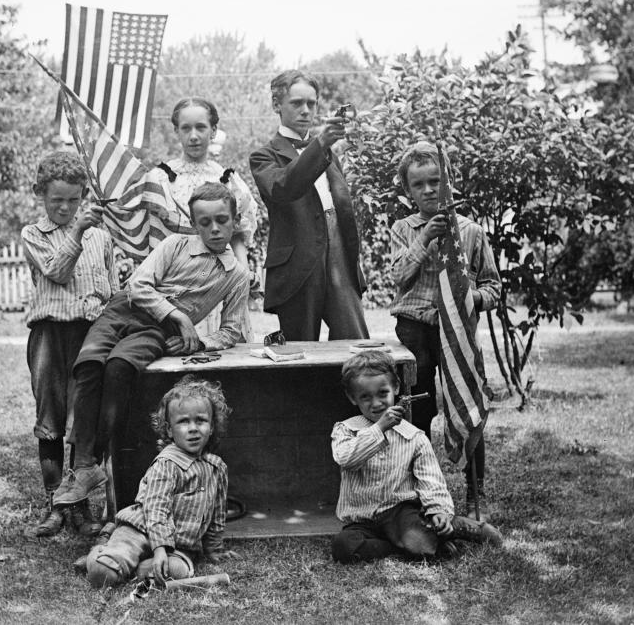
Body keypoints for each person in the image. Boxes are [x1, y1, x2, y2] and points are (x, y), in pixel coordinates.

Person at [51, 181, 250, 512]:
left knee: (119, 368)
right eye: (204, 222)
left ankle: (95, 458)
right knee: (88, 363)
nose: (214, 229)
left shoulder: (236, 275)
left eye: (222, 220)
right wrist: (180, 316)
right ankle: (84, 465)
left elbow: (231, 330)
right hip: (123, 308)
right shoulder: (174, 245)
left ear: (235, 219)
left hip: (157, 329)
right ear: (193, 222)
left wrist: (197, 340)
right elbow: (139, 285)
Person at [389, 141, 501, 517]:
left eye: (435, 181)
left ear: (448, 182)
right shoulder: (404, 229)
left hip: (458, 333)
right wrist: (424, 239)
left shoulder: (470, 232)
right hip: (415, 330)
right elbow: (399, 278)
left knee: (467, 406)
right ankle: (419, 490)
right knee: (417, 412)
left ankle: (475, 493)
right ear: (408, 190)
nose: (428, 191)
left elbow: (494, 289)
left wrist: (472, 298)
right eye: (418, 185)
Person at [20, 150, 120, 537]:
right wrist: (77, 231)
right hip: (49, 336)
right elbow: (58, 273)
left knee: (83, 421)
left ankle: (77, 507)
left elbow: (109, 290)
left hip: (89, 337)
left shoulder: (101, 237)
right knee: (51, 420)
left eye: (73, 199)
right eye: (56, 199)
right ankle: (54, 507)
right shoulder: (34, 234)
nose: (65, 207)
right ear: (40, 195)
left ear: (84, 196)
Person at [330, 350, 502, 564]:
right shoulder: (346, 430)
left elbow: (430, 480)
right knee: (343, 547)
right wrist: (379, 428)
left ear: (396, 388)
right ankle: (413, 546)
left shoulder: (414, 437)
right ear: (352, 397)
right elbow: (347, 458)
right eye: (365, 397)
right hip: (362, 519)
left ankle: (455, 526)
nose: (376, 404)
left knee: (417, 540)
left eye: (382, 393)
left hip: (399, 513)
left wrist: (438, 510)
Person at [82, 376, 236, 588]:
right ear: (170, 430)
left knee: (177, 571)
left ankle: (132, 567)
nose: (193, 428)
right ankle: (101, 554)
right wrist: (159, 549)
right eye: (183, 422)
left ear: (212, 427)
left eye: (200, 420)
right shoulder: (167, 463)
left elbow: (217, 514)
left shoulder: (217, 468)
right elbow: (156, 510)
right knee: (103, 574)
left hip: (178, 545)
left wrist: (214, 549)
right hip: (140, 531)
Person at [250, 70, 368, 341]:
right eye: (296, 103)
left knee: (357, 346)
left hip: (339, 258)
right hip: (296, 269)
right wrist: (321, 143)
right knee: (299, 354)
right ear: (276, 105)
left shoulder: (328, 155)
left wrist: (321, 146)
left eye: (311, 103)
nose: (306, 110)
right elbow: (283, 188)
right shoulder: (263, 157)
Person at [150, 97, 258, 339]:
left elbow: (238, 234)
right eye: (186, 128)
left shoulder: (227, 178)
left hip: (220, 280)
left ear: (214, 131)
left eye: (201, 127)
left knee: (226, 350)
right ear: (176, 131)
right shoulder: (161, 178)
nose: (194, 136)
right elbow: (154, 240)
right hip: (177, 283)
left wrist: (244, 274)